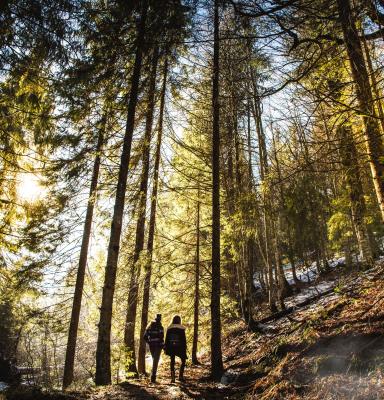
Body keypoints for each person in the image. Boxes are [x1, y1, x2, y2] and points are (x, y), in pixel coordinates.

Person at [164, 315, 187, 383]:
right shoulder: (181, 328)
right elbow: (183, 339)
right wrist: (185, 347)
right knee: (183, 361)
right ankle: (180, 376)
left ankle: (173, 378)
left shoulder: (169, 328)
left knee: (172, 361)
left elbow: (167, 339)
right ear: (179, 320)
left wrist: (166, 347)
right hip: (180, 347)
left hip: (171, 347)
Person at [143, 314, 164, 383]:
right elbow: (161, 338)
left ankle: (153, 375)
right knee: (155, 361)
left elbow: (145, 337)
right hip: (158, 345)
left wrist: (149, 342)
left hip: (152, 345)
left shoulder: (150, 326)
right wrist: (163, 346)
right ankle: (153, 377)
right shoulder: (160, 327)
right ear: (160, 319)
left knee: (154, 360)